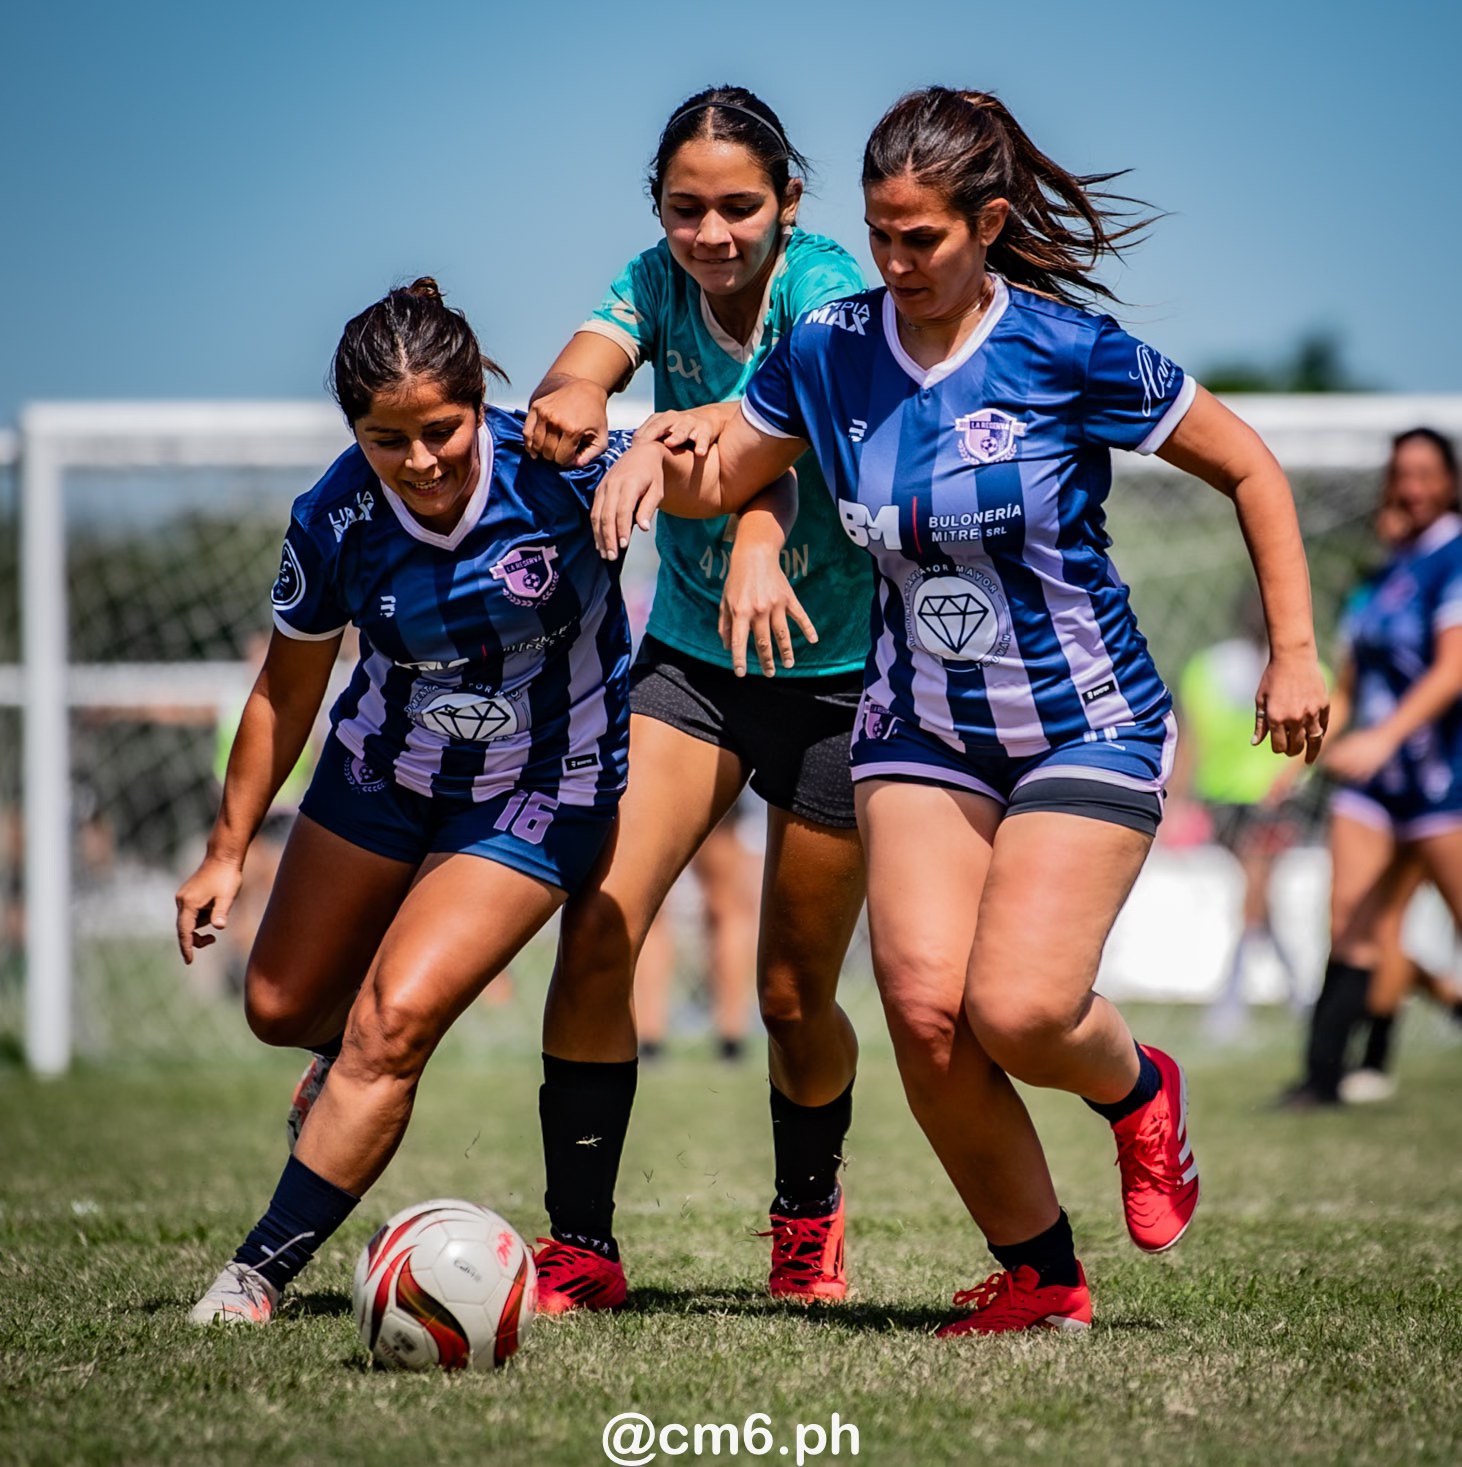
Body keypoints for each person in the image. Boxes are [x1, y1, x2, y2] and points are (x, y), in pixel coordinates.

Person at [594, 86, 1329, 1334]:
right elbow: (729, 474)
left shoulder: (1062, 348)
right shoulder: (828, 345)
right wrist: (645, 458)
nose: (895, 263)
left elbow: (1248, 463)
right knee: (928, 1018)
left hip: (1080, 722)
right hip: (917, 731)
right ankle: (1041, 1279)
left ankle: (1141, 1090)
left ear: (986, 224)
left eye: (921, 238)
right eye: (880, 236)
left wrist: (1295, 651)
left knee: (1021, 1012)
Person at [180, 278, 652, 1323]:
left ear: (477, 399)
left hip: (540, 788)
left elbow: (741, 472)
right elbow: (283, 690)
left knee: (392, 1025)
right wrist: (226, 850)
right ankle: (339, 1061)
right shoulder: (334, 517)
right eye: (388, 440)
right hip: (381, 771)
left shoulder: (557, 467)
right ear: (355, 431)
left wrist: (662, 449)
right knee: (280, 1009)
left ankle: (254, 1275)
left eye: (440, 430)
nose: (422, 461)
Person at [520, 86, 871, 1310]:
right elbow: (586, 364)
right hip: (694, 664)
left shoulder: (827, 287)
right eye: (687, 209)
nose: (712, 232)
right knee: (600, 925)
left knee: (791, 993)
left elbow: (789, 428)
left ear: (787, 203)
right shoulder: (650, 279)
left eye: (738, 206)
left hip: (841, 678)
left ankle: (807, 1215)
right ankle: (578, 1244)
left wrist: (663, 452)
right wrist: (573, 404)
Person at [1285, 428, 1462, 1107]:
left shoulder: (1452, 558)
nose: (1412, 486)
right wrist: (1310, 746)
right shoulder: (1388, 571)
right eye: (1401, 473)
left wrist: (1386, 737)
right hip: (1376, 783)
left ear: (1448, 482)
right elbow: (1352, 681)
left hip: (1442, 775)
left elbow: (1452, 669)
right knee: (1350, 919)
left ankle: (1382, 1049)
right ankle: (1322, 1077)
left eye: (1425, 473)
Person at [1170, 594, 1313, 1035]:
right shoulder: (1304, 672)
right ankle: (1296, 994)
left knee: (1256, 889)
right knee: (1258, 893)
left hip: (1238, 800)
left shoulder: (1206, 667)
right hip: (1264, 798)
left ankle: (1239, 999)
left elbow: (1189, 742)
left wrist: (1179, 797)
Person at [634, 802, 759, 1062]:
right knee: (728, 907)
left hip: (652, 775)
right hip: (712, 776)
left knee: (650, 911)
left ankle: (648, 1040)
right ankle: (732, 1039)